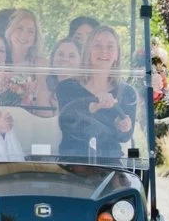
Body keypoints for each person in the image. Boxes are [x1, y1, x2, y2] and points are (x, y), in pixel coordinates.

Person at [56, 25, 136, 158]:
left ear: (117, 54)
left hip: (110, 161)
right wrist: (95, 105)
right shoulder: (67, 87)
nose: (104, 51)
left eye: (110, 46)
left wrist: (122, 126)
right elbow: (67, 123)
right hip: (72, 160)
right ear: (88, 51)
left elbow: (125, 137)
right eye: (97, 45)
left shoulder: (127, 92)